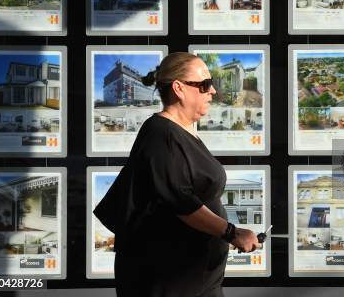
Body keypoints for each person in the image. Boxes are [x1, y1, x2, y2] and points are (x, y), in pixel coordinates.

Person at [93, 52, 259, 297]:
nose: (212, 91)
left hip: (196, 278)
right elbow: (181, 202)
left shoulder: (182, 132)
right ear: (179, 88)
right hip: (168, 280)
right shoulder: (161, 134)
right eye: (204, 84)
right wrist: (232, 233)